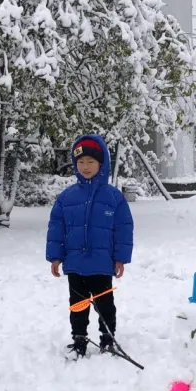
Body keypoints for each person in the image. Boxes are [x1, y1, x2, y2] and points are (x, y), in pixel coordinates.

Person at [47, 135, 134, 358]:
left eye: (91, 162)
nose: (85, 167)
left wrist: (120, 258)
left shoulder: (114, 197)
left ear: (101, 163)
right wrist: (55, 257)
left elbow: (123, 228)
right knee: (78, 304)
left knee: (105, 303)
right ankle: (79, 339)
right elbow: (57, 229)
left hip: (102, 264)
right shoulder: (67, 198)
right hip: (75, 264)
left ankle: (108, 337)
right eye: (81, 162)